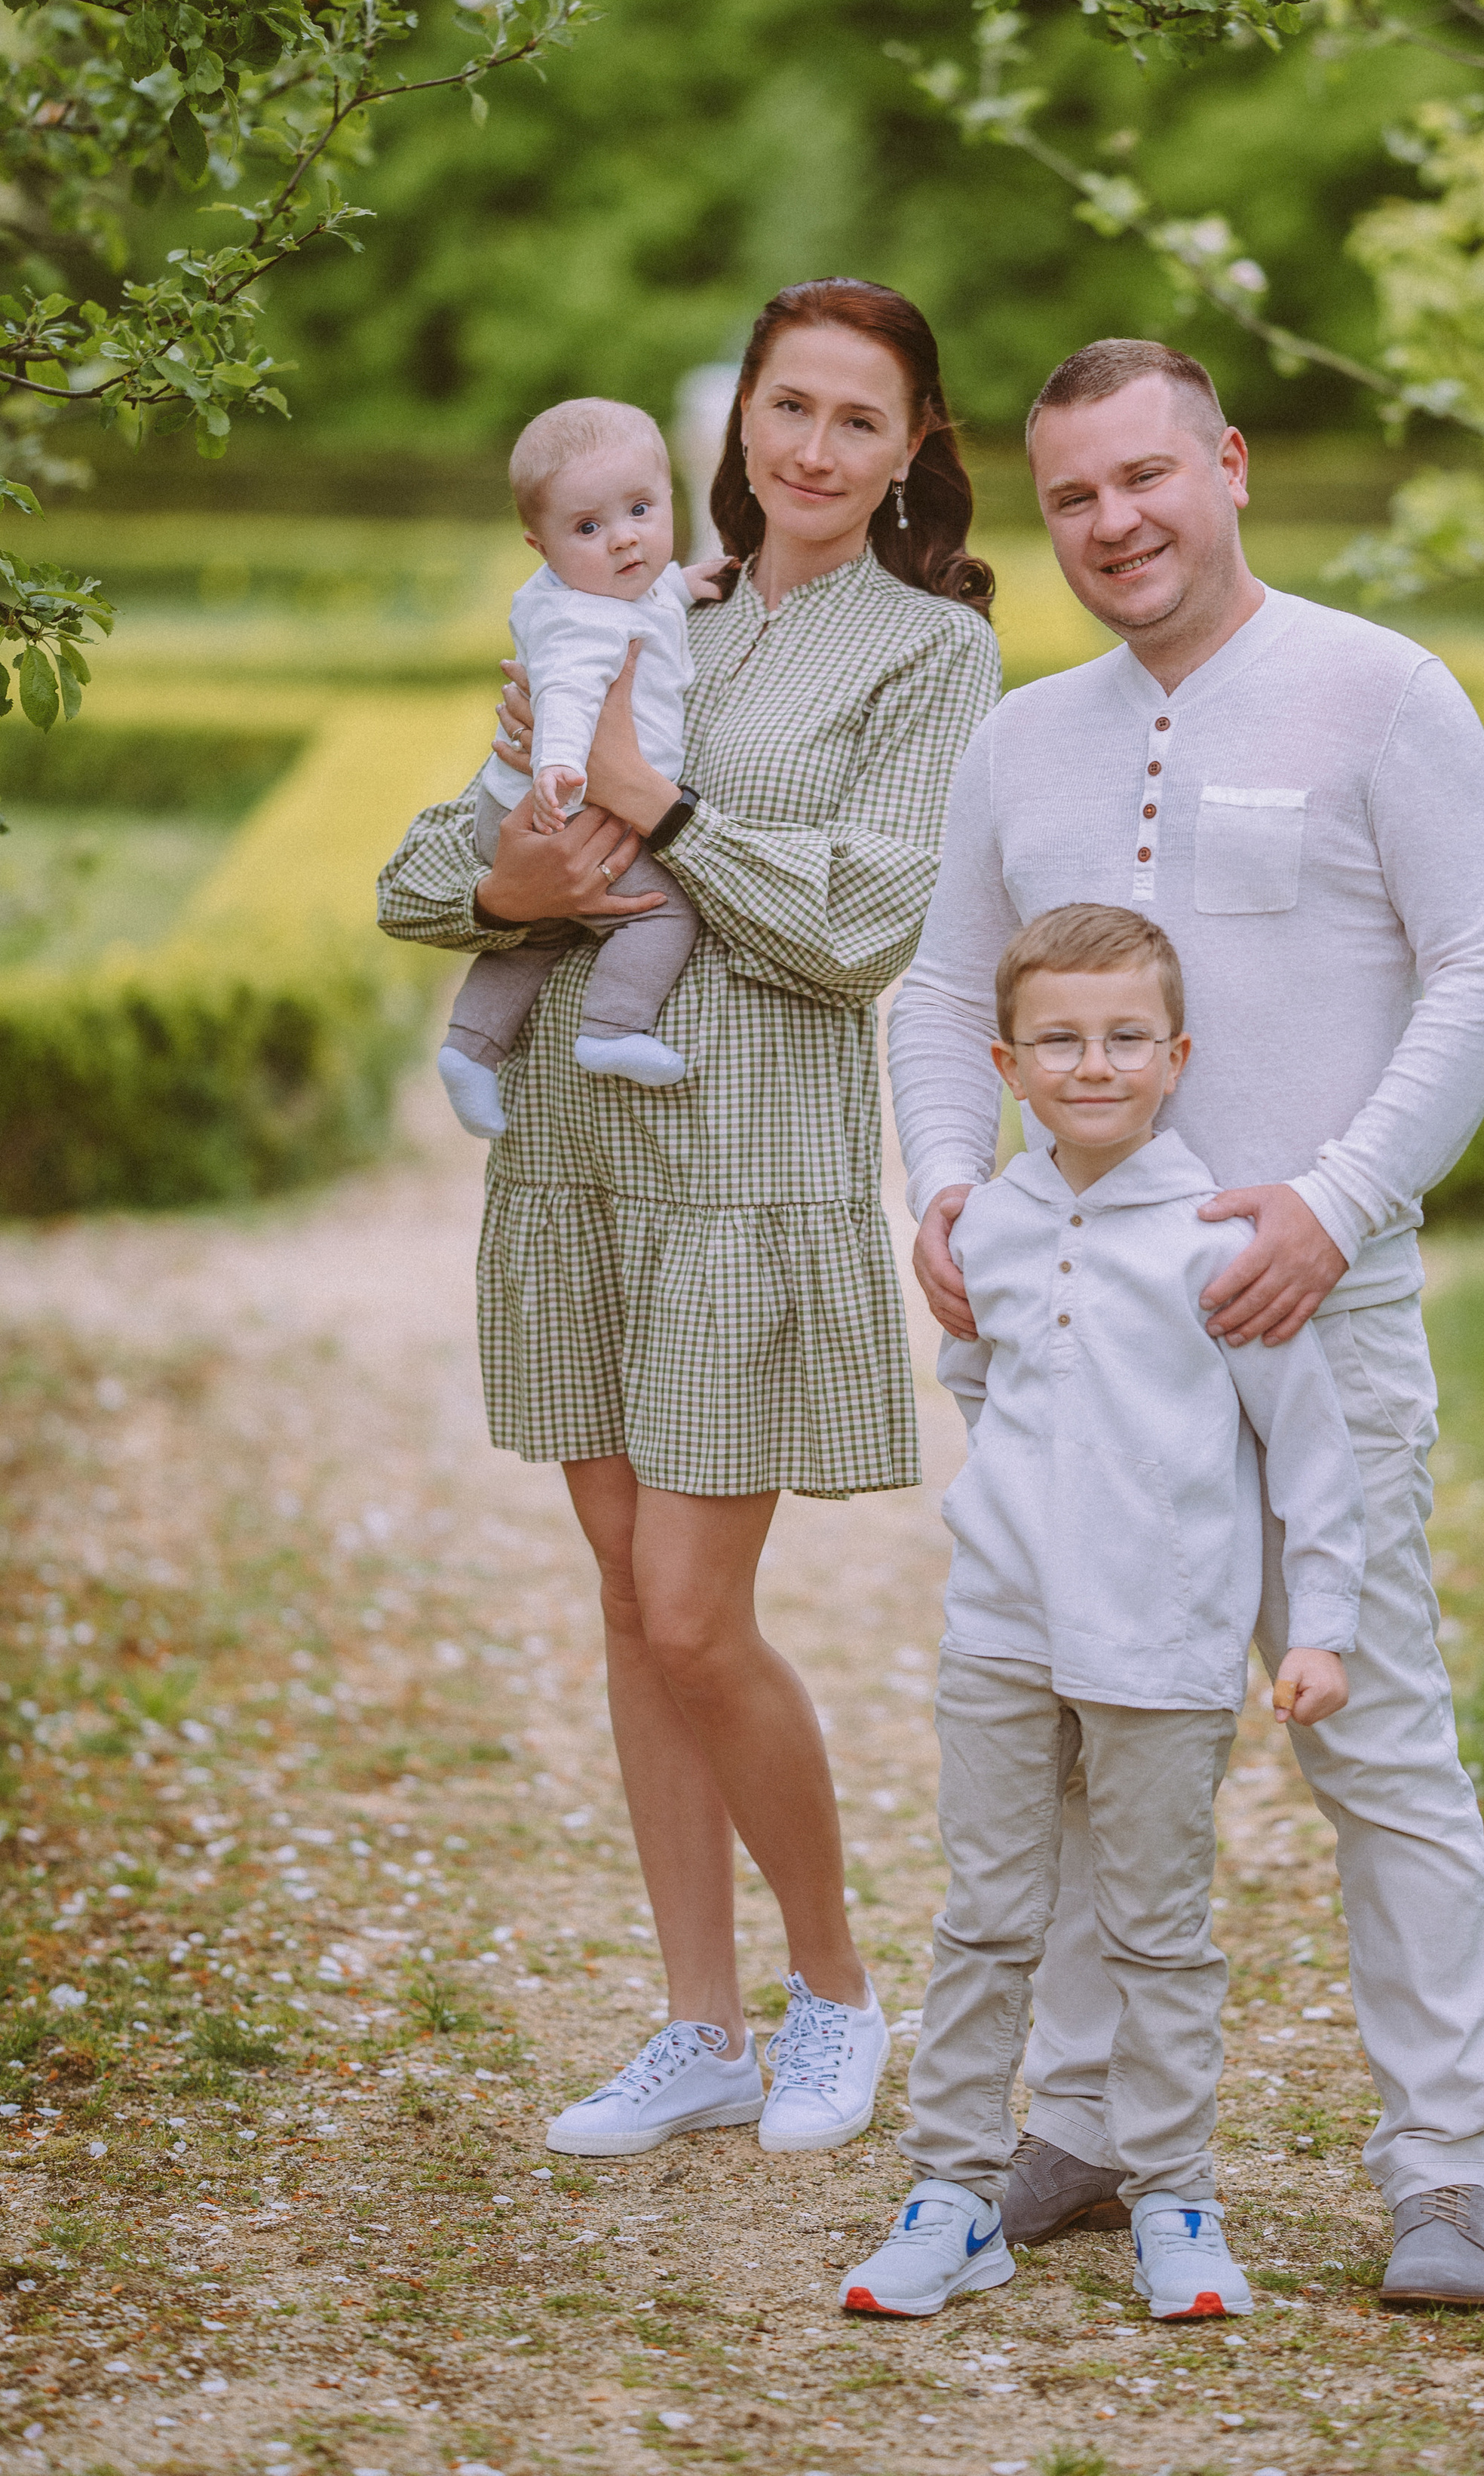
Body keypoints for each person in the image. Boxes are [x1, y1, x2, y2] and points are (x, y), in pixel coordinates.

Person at [888, 338, 1484, 2309]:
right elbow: (940, 997)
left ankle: (1444, 2167)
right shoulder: (1026, 738)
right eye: (1074, 494)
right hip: (1080, 1352)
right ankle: (1079, 2120)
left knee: (1382, 1744)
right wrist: (942, 1185)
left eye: (1146, 476)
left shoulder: (1380, 692)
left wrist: (1338, 1206)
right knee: (1089, 1732)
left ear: (1231, 464)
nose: (1114, 523)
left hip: (1309, 1319)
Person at [378, 280, 1002, 2161]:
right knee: (624, 1609)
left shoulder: (931, 655)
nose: (808, 451)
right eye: (783, 409)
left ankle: (834, 1992)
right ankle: (698, 2025)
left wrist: (663, 800)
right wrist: (504, 872)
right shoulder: (644, 593)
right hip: (572, 1157)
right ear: (738, 423)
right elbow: (431, 873)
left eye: (855, 421)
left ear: (909, 450)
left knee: (687, 1606)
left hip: (750, 1174)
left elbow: (856, 930)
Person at [841, 904, 1365, 2324]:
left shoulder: (1216, 1237)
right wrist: (1020, 1504)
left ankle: (1177, 2195)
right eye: (1060, 1039)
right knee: (986, 1917)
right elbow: (982, 1382)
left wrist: (1319, 1623)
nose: (1094, 1063)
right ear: (1008, 1065)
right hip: (1003, 1630)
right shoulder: (990, 1223)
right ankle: (951, 2193)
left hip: (1166, 1640)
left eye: (1125, 1036)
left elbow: (1311, 1445)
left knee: (1158, 1930)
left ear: (1175, 1053)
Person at [437, 397, 719, 1142]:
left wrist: (688, 583)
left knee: (546, 927)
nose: (625, 540)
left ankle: (470, 1047)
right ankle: (613, 1028)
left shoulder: (621, 582)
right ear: (540, 544)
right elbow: (562, 689)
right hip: (561, 803)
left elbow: (654, 591)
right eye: (589, 528)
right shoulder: (577, 618)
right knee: (663, 910)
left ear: (669, 499)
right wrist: (559, 764)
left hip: (528, 806)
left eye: (640, 509)